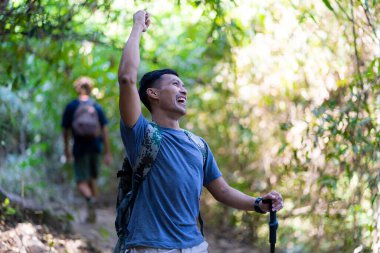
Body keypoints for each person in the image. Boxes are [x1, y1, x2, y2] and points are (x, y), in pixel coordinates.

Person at [117, 10, 283, 253]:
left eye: (184, 86)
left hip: (195, 246)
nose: (183, 91)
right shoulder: (142, 135)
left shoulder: (198, 145)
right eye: (175, 85)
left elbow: (222, 191)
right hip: (151, 247)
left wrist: (258, 204)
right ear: (153, 94)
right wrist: (137, 27)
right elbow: (126, 78)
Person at [62, 76, 112, 223]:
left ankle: (90, 200)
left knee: (81, 181)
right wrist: (107, 152)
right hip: (96, 147)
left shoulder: (72, 106)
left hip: (80, 147)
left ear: (77, 88)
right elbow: (105, 130)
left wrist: (67, 150)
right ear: (90, 89)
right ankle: (93, 209)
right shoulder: (96, 107)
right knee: (92, 179)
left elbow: (65, 130)